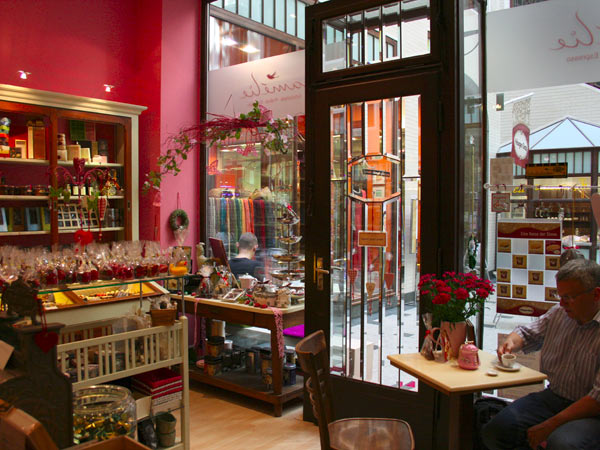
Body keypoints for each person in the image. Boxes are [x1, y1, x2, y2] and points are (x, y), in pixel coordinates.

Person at [482, 258, 600, 450]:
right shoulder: (560, 313)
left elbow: (596, 400)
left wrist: (550, 425)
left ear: (596, 294)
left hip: (591, 411)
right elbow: (527, 333)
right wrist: (511, 342)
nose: (562, 303)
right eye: (559, 295)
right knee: (496, 430)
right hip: (554, 397)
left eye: (569, 297)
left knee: (562, 444)